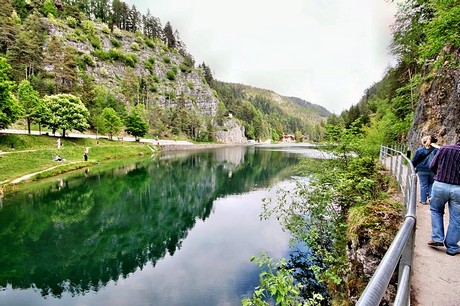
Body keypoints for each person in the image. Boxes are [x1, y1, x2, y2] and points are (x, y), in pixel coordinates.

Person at [428, 137, 460, 256]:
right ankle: (452, 247)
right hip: (459, 189)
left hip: (440, 185)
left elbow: (432, 166)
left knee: (436, 210)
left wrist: (440, 176)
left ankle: (437, 238)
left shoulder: (444, 149)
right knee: (457, 218)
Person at [412, 135, 438, 205]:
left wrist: (413, 168)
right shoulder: (436, 150)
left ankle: (423, 200)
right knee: (431, 184)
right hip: (433, 170)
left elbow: (414, 161)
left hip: (422, 170)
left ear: (423, 142)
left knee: (423, 185)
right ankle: (431, 198)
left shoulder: (420, 150)